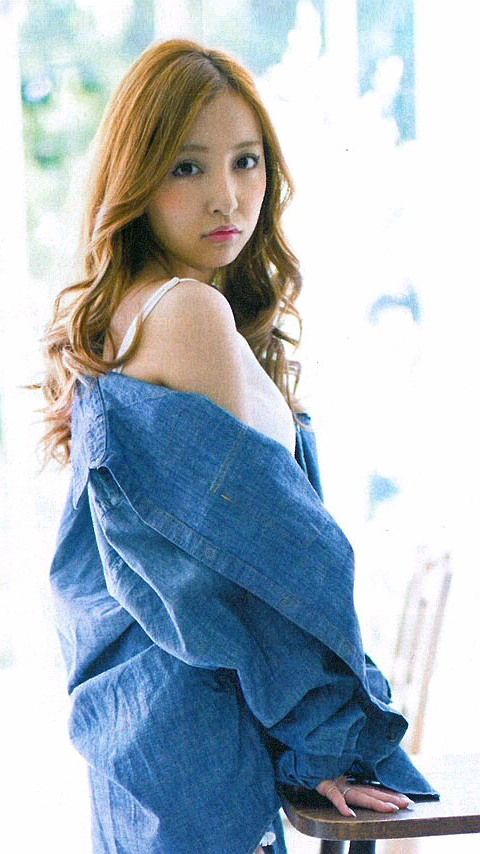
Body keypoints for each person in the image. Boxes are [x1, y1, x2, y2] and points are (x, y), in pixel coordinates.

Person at [38, 39, 437, 854]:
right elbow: (256, 567)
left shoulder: (134, 312)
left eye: (246, 161)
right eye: (187, 167)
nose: (226, 196)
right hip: (206, 746)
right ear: (136, 177)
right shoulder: (186, 312)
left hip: (158, 743)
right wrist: (326, 741)